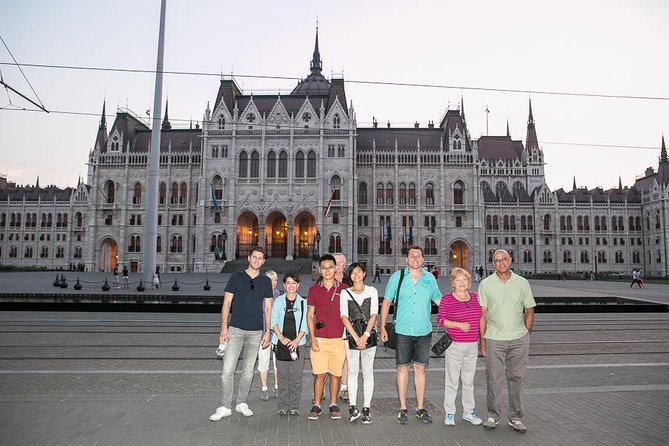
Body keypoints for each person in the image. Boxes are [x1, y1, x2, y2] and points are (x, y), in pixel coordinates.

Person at [210, 246, 273, 421]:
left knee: (248, 371)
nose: (257, 260)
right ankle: (225, 406)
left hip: (255, 332)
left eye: (260, 258)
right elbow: (226, 303)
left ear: (263, 261)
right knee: (227, 371)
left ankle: (241, 402)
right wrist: (224, 327)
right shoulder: (236, 277)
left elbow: (268, 308)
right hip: (235, 329)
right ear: (249, 258)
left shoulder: (266, 282)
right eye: (254, 257)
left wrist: (267, 331)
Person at [380, 245, 442, 425]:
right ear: (406, 260)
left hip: (423, 330)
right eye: (412, 256)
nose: (415, 258)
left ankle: (420, 408)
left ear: (423, 260)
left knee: (420, 370)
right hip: (402, 330)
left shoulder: (430, 279)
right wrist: (382, 327)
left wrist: (462, 306)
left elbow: (439, 301)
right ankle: (402, 408)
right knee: (402, 369)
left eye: (418, 256)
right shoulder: (397, 277)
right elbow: (386, 303)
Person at [478, 249, 536, 433]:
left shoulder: (522, 283)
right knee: (493, 378)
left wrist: (527, 333)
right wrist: (482, 340)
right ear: (492, 263)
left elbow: (529, 310)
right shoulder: (486, 284)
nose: (501, 262)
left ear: (510, 260)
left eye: (504, 259)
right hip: (494, 337)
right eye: (496, 260)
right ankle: (493, 415)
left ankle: (516, 417)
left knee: (517, 378)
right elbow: (483, 315)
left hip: (519, 338)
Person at [437, 267, 483, 427]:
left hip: (472, 346)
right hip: (455, 345)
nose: (462, 282)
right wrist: (458, 324)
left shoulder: (476, 297)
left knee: (469, 381)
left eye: (464, 279)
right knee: (452, 381)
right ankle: (450, 413)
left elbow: (483, 317)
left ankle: (468, 412)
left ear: (469, 281)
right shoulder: (447, 299)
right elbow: (441, 320)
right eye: (458, 280)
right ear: (453, 283)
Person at [307, 254, 348, 421]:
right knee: (319, 374)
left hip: (338, 339)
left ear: (336, 268)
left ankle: (333, 404)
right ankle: (317, 404)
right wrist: (312, 338)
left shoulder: (344, 288)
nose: (327, 271)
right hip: (320, 339)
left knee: (335, 374)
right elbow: (310, 316)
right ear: (319, 270)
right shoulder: (313, 290)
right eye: (323, 268)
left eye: (330, 267)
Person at [340, 262, 378, 424]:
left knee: (368, 372)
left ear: (364, 274)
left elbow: (374, 314)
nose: (356, 275)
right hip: (351, 337)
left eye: (358, 272)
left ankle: (367, 408)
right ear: (350, 276)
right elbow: (344, 316)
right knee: (353, 372)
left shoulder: (372, 291)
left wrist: (366, 335)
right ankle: (353, 407)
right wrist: (356, 337)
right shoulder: (345, 293)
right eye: (353, 273)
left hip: (369, 336)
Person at [271, 272, 308, 416]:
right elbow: (273, 321)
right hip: (281, 343)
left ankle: (294, 405)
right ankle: (282, 404)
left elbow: (305, 324)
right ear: (284, 285)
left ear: (298, 285)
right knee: (282, 376)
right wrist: (281, 337)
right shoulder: (279, 301)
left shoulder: (303, 303)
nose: (291, 286)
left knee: (296, 377)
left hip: (299, 344)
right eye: (288, 283)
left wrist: (297, 340)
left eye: (294, 283)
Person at [258, 270, 280, 401]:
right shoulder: (258, 296)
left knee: (278, 363)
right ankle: (264, 388)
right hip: (263, 335)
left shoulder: (278, 295)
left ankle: (277, 387)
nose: (272, 283)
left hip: (277, 335)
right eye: (269, 280)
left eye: (275, 280)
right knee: (263, 362)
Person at [333, 252, 351, 402]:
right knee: (328, 358)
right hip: (329, 326)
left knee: (345, 358)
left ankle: (344, 388)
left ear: (344, 265)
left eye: (340, 263)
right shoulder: (322, 280)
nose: (337, 266)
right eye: (335, 263)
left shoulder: (350, 281)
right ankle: (325, 389)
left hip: (346, 325)